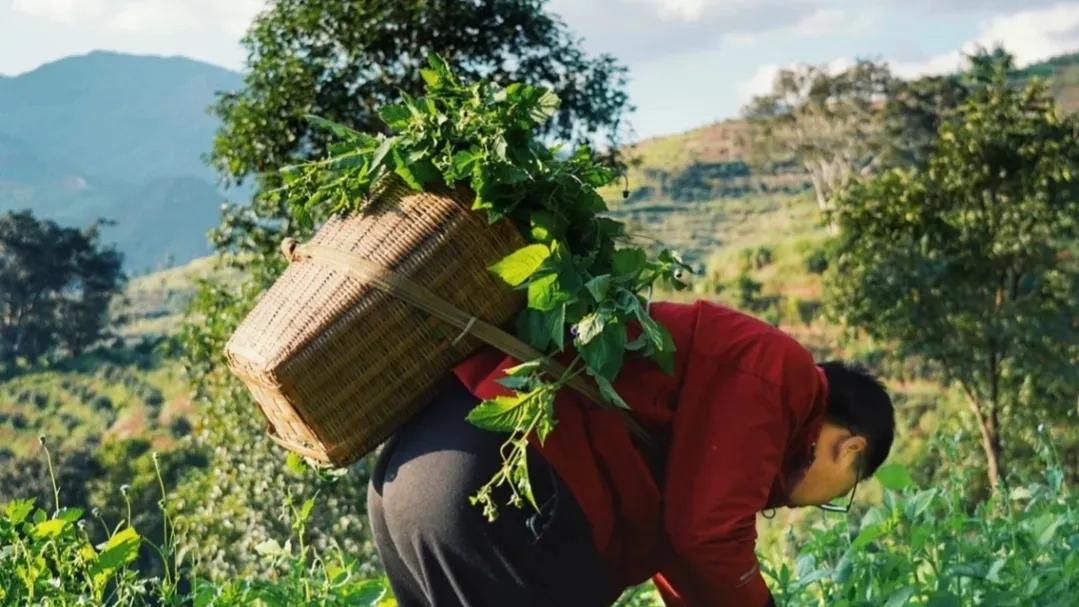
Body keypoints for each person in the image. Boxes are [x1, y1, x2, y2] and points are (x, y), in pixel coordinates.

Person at [367, 300, 895, 606]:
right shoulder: (784, 375)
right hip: (503, 483)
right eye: (840, 493)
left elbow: (685, 549)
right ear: (850, 449)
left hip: (407, 474)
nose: (813, 501)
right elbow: (706, 533)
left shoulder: (742, 396)